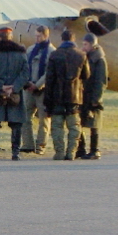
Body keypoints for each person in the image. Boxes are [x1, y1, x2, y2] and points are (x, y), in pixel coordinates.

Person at [0, 26, 30, 160]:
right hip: (15, 92)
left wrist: (0, 85)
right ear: (11, 36)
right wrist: (14, 87)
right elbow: (25, 73)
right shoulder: (20, 53)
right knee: (16, 122)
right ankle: (15, 152)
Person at [44, 30, 90, 160]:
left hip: (57, 96)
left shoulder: (54, 55)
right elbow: (86, 75)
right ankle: (71, 152)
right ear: (73, 39)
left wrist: (47, 101)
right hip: (74, 97)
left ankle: (59, 152)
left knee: (57, 127)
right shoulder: (81, 55)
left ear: (62, 39)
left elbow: (49, 79)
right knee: (74, 127)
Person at [20, 25, 55, 155]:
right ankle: (27, 144)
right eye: (36, 36)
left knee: (44, 119)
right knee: (25, 116)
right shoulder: (31, 50)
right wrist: (27, 83)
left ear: (46, 36)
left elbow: (49, 72)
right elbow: (25, 67)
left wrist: (38, 85)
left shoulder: (51, 52)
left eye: (39, 36)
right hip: (29, 88)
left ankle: (40, 145)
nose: (37, 38)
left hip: (43, 90)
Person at [77, 32, 108, 160]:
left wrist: (96, 99)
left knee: (94, 124)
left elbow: (101, 81)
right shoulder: (86, 58)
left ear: (92, 45)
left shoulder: (99, 60)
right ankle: (81, 148)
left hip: (93, 96)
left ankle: (95, 149)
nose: (83, 47)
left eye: (86, 44)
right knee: (79, 121)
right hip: (83, 95)